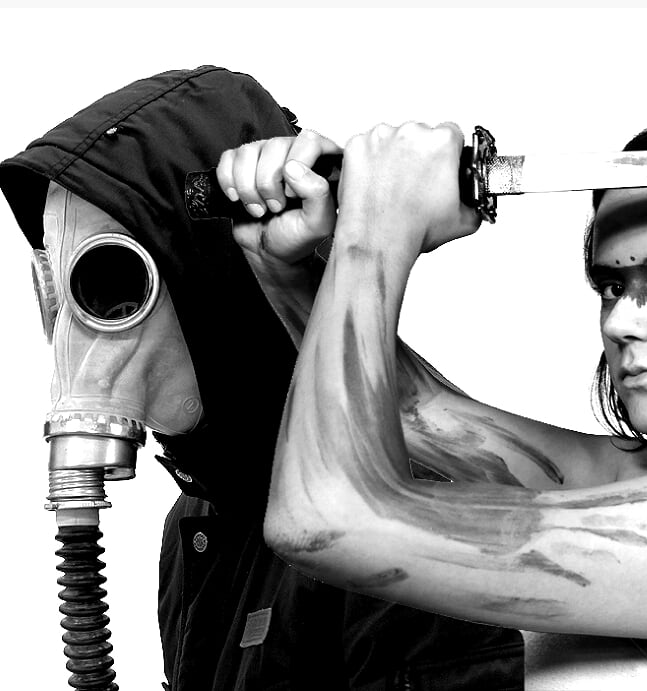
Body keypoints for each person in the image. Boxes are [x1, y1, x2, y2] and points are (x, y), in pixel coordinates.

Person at [218, 118, 647, 690]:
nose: (622, 321)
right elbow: (414, 411)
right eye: (611, 286)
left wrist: (377, 228)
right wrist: (287, 269)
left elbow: (322, 519)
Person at [0, 66, 523, 690]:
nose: (74, 341)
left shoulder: (418, 508)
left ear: (210, 272)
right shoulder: (198, 522)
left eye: (111, 281)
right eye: (57, 290)